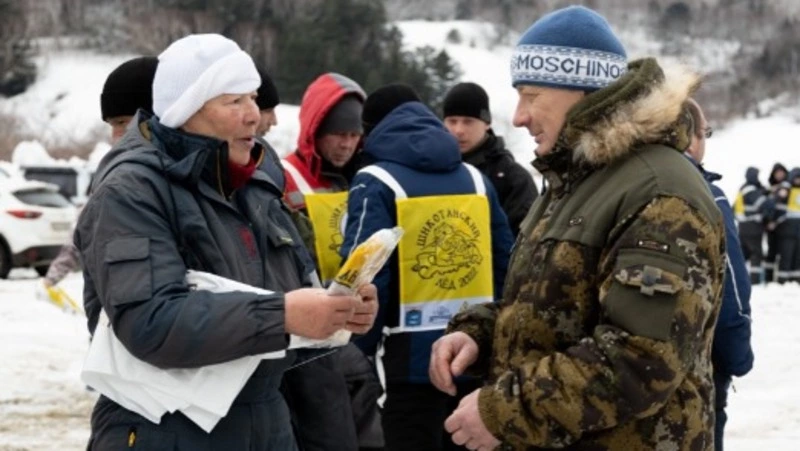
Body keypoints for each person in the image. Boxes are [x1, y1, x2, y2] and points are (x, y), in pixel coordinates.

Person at [429, 6, 726, 450]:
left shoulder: (660, 192)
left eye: (531, 95)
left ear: (582, 91)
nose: (518, 117)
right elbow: (556, 310)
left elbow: (641, 360)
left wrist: (504, 412)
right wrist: (479, 334)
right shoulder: (574, 182)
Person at [73, 33, 378, 450]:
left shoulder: (257, 181)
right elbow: (150, 321)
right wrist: (284, 315)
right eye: (235, 101)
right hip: (165, 427)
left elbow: (289, 297)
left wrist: (334, 312)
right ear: (186, 110)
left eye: (253, 98)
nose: (254, 116)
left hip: (267, 422)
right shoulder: (132, 189)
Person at [341, 83, 513, 451]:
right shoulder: (475, 179)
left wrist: (354, 358)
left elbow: (366, 276)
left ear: (373, 131)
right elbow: (507, 265)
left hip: (405, 364)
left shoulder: (375, 182)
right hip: (475, 355)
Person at [40, 56, 159, 313]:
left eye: (124, 123)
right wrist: (52, 277)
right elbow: (79, 239)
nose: (117, 137)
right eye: (113, 124)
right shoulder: (116, 185)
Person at [684, 98, 754, 451]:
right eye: (704, 132)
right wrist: (738, 359)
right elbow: (732, 295)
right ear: (689, 138)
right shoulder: (707, 196)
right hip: (699, 378)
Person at [442, 82, 538, 235]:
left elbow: (523, 240)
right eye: (452, 121)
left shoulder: (514, 179)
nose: (459, 130)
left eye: (468, 122)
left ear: (486, 123)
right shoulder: (431, 170)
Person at [735, 167, 772, 284]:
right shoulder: (752, 190)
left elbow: (733, 208)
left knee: (743, 254)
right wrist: (771, 196)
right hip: (753, 227)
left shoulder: (742, 190)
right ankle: (755, 281)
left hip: (742, 227)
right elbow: (765, 205)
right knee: (756, 253)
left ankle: (737, 278)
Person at [771, 167, 800, 284]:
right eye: (797, 178)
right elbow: (778, 208)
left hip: (798, 231)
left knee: (798, 257)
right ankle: (782, 282)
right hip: (787, 230)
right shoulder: (786, 190)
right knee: (786, 255)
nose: (798, 181)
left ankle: (796, 281)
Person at [765, 162, 789, 281]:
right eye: (777, 173)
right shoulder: (769, 188)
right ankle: (768, 279)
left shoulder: (786, 186)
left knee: (783, 252)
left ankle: (781, 280)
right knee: (771, 252)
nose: (779, 175)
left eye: (781, 172)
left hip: (783, 224)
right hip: (770, 225)